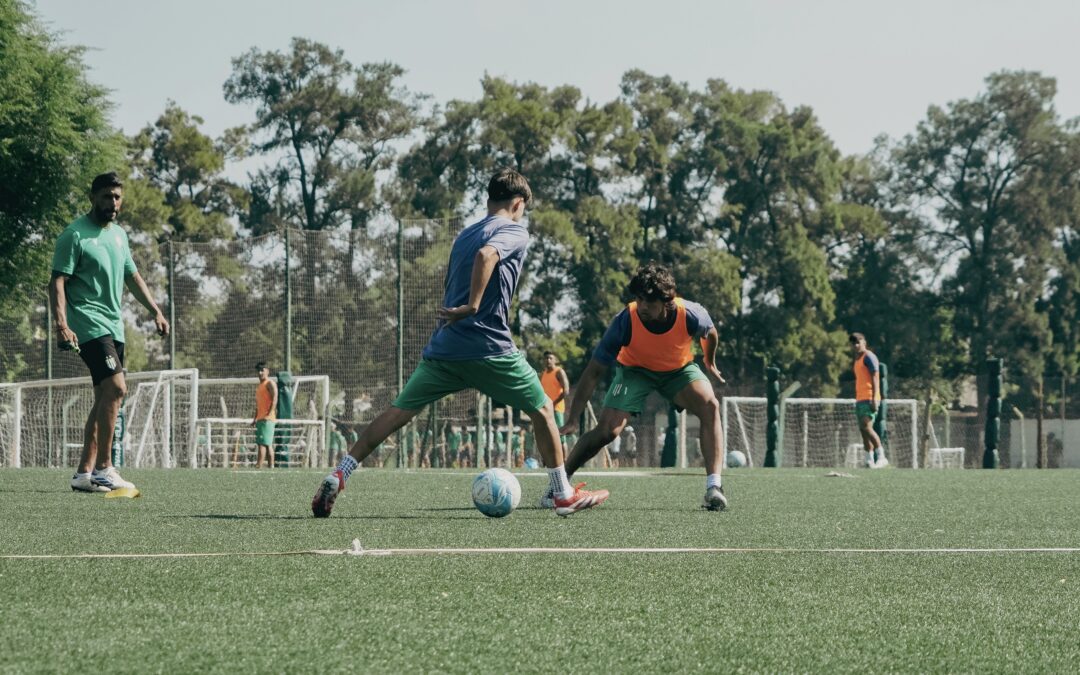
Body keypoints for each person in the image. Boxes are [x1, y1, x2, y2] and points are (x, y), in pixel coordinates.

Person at [311, 169, 608, 517]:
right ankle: (561, 493)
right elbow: (487, 256)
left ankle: (340, 473)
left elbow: (460, 274)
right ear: (518, 203)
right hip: (489, 346)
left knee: (396, 413)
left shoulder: (464, 234)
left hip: (446, 349)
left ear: (487, 200)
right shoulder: (514, 230)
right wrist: (474, 305)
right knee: (542, 408)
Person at [554, 262, 729, 510]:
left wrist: (709, 361)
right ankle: (559, 484)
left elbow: (710, 333)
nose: (643, 307)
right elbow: (593, 371)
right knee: (608, 431)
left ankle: (714, 487)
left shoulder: (690, 314)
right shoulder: (625, 321)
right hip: (634, 371)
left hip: (677, 370)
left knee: (710, 404)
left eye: (651, 303)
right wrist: (573, 418)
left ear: (667, 301)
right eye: (639, 299)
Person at [50, 172, 169, 493]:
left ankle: (83, 474)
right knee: (117, 388)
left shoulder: (119, 235)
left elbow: (132, 276)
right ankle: (105, 467)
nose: (112, 203)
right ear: (92, 197)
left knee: (105, 395)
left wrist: (155, 310)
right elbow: (57, 281)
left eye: (117, 197)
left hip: (114, 326)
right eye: (106, 196)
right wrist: (62, 324)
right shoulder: (74, 235)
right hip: (87, 325)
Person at [850, 332, 887, 468]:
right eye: (853, 343)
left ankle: (882, 456)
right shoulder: (857, 359)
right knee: (863, 430)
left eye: (858, 342)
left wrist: (875, 397)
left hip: (869, 397)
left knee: (867, 427)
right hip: (860, 398)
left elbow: (875, 377)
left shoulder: (869, 357)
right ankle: (869, 459)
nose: (856, 345)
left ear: (864, 343)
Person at [540, 351, 572, 448]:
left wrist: (554, 403)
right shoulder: (543, 374)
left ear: (555, 360)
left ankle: (565, 461)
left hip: (556, 408)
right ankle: (547, 462)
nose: (548, 360)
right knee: (546, 436)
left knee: (560, 436)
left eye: (550, 358)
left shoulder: (559, 372)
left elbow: (566, 390)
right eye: (546, 358)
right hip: (546, 408)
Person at [251, 362, 278, 468]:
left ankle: (259, 465)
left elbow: (275, 398)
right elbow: (259, 405)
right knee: (265, 443)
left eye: (262, 370)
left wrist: (270, 412)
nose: (260, 372)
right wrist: (255, 419)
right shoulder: (259, 386)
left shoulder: (270, 383)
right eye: (258, 370)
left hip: (268, 418)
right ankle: (270, 467)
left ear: (267, 371)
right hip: (261, 418)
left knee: (263, 443)